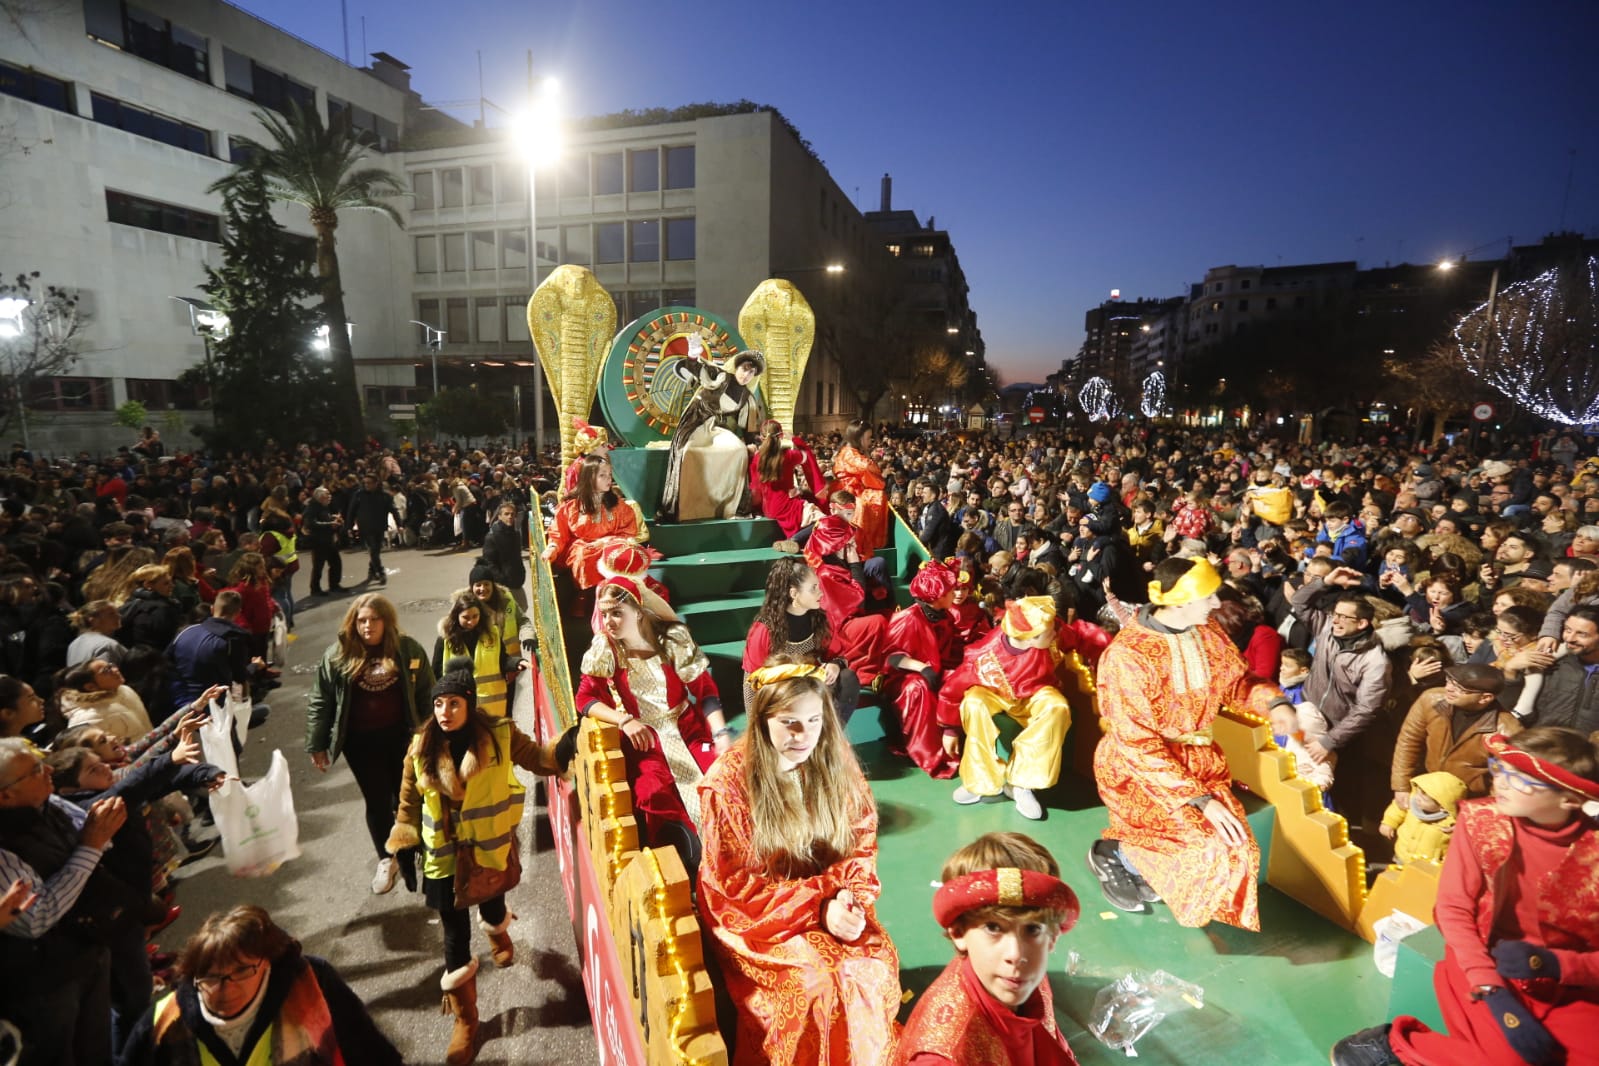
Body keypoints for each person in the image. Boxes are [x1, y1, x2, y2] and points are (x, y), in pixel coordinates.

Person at [1331, 728, 1599, 1066]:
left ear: (1570, 800)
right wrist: (1491, 988)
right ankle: (1398, 1045)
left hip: (1565, 981)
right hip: (1479, 961)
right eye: (1499, 768)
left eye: (1521, 779)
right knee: (1509, 1060)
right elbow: (1454, 910)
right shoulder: (1482, 823)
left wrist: (1557, 965)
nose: (1500, 782)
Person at [696, 665, 901, 1065]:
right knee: (814, 985)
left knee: (867, 971)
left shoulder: (833, 757)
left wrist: (849, 898)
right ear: (762, 720)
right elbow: (735, 887)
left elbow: (860, 842)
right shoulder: (727, 783)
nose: (804, 736)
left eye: (814, 721)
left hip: (823, 898)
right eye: (789, 723)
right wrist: (820, 905)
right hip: (756, 916)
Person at [1091, 557, 1291, 927]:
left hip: (1201, 763)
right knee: (1204, 846)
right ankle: (1114, 854)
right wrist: (1199, 800)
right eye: (1210, 597)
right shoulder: (1126, 657)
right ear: (1181, 602)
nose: (1217, 605)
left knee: (1239, 847)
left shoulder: (1207, 629)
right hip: (1139, 772)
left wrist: (1274, 703)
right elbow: (1136, 743)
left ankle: (1134, 859)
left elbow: (1236, 683)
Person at [384, 667, 566, 1066]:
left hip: (487, 847)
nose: (445, 712)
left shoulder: (499, 734)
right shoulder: (421, 744)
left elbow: (536, 757)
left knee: (492, 902)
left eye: (453, 703)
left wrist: (566, 750)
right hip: (442, 856)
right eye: (438, 704)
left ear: (469, 703)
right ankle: (466, 1021)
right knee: (454, 935)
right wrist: (402, 839)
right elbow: (408, 797)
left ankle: (499, 932)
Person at [118, 903, 402, 1065]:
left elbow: (366, 1047)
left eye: (241, 970)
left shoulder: (311, 982)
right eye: (210, 977)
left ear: (267, 963)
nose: (224, 988)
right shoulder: (163, 1022)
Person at [897, 831, 1082, 1066]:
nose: (1016, 954)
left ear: (1052, 937)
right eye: (993, 928)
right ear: (959, 933)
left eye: (1032, 930)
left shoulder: (1017, 973)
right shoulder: (942, 1058)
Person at [576, 579, 730, 859]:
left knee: (719, 777)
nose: (608, 621)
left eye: (617, 612)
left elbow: (705, 690)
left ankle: (728, 847)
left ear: (638, 611)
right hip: (646, 742)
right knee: (652, 790)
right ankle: (685, 854)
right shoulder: (606, 647)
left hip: (687, 730)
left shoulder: (672, 639)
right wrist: (623, 720)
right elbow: (585, 699)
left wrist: (720, 735)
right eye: (605, 613)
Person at [0, 736, 130, 1066]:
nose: (47, 771)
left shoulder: (49, 803)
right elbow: (36, 917)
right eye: (33, 771)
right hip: (45, 978)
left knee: (98, 1045)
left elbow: (101, 840)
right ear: (5, 796)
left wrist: (96, 837)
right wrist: (88, 848)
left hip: (89, 943)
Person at [305, 593, 435, 895]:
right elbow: (321, 700)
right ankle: (386, 858)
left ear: (385, 621)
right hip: (360, 743)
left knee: (409, 797)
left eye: (374, 619)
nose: (367, 626)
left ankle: (418, 849)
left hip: (402, 737)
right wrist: (317, 743)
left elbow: (426, 692)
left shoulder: (407, 648)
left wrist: (431, 735)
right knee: (377, 802)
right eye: (361, 620)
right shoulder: (338, 655)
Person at [938, 596, 1070, 820]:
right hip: (995, 693)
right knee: (973, 702)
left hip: (1035, 693)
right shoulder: (984, 657)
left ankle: (1021, 784)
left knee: (1057, 707)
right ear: (1030, 638)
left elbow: (1081, 635)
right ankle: (980, 781)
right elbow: (953, 688)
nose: (1055, 634)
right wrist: (949, 729)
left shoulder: (1053, 632)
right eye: (1049, 633)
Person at [742, 557, 863, 723]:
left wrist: (835, 665)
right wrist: (754, 724)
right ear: (794, 593)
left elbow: (838, 655)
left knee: (848, 679)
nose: (820, 593)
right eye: (813, 589)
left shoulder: (821, 619)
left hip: (810, 686)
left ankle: (829, 738)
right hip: (781, 695)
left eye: (818, 587)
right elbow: (751, 682)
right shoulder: (764, 629)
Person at [659, 343, 765, 522]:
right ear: (737, 367)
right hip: (695, 423)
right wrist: (692, 356)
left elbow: (750, 426)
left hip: (717, 429)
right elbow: (696, 368)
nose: (746, 375)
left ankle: (731, 508)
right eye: (744, 369)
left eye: (751, 373)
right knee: (688, 452)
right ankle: (686, 510)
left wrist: (752, 443)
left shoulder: (747, 397)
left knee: (739, 451)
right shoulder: (720, 376)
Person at [883, 560, 967, 779]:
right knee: (917, 688)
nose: (955, 594)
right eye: (951, 590)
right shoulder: (908, 619)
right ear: (938, 595)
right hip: (902, 679)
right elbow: (891, 659)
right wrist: (922, 668)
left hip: (934, 671)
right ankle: (931, 754)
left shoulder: (945, 617)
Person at [1391, 663, 1520, 801]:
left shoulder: (1507, 730)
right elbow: (1408, 742)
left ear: (1485, 698)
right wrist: (1401, 786)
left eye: (1460, 688)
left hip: (1468, 798)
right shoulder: (1430, 699)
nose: (1449, 688)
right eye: (1449, 681)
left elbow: (1507, 776)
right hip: (1427, 788)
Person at [543, 454, 645, 589]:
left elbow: (628, 533)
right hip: (582, 547)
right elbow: (558, 533)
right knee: (583, 557)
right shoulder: (571, 506)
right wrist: (552, 548)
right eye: (603, 475)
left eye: (609, 475)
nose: (608, 479)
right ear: (589, 478)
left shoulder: (620, 507)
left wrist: (607, 540)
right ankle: (588, 600)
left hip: (612, 545)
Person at [431, 590, 520, 720]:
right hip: (458, 706)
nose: (471, 622)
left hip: (489, 708)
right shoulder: (445, 639)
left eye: (475, 616)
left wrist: (517, 663)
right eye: (466, 618)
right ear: (456, 616)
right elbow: (436, 672)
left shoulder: (493, 634)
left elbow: (502, 660)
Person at [750, 419, 826, 544]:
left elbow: (755, 488)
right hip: (787, 506)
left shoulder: (757, 459)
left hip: (769, 508)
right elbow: (807, 455)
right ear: (781, 436)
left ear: (761, 437)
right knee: (825, 521)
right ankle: (794, 540)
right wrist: (795, 439)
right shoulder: (789, 455)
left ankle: (794, 540)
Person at [1378, 770, 1466, 866]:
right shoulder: (1411, 802)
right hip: (1402, 854)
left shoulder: (1452, 824)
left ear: (1443, 806)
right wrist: (1388, 822)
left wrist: (1448, 859)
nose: (1417, 798)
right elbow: (1397, 809)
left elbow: (1457, 845)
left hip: (1428, 865)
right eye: (1418, 792)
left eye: (1424, 798)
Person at [57, 658, 155, 739]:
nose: (115, 670)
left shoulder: (124, 689)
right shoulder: (85, 717)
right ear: (91, 687)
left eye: (111, 665)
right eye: (106, 671)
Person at [832, 419, 890, 553]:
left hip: (850, 488)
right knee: (877, 497)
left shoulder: (850, 450)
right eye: (869, 438)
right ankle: (865, 543)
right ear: (859, 438)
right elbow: (867, 468)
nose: (871, 442)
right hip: (847, 490)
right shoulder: (850, 452)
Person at [346, 472, 399, 585]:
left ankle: (372, 571)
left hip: (379, 527)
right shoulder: (359, 495)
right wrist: (349, 526)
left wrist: (400, 524)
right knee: (373, 550)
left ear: (376, 483)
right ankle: (381, 572)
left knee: (376, 551)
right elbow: (351, 511)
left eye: (369, 483)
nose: (366, 485)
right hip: (365, 527)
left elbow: (393, 510)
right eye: (365, 483)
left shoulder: (385, 496)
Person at [480, 500, 529, 613]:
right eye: (506, 514)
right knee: (507, 613)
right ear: (500, 516)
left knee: (522, 609)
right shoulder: (492, 537)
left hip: (516, 581)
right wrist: (501, 580)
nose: (510, 517)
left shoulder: (516, 534)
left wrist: (521, 573)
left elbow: (517, 557)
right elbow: (489, 563)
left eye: (512, 514)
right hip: (503, 585)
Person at [301, 485, 346, 596]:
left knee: (335, 563)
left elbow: (323, 518)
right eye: (327, 495)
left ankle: (334, 585)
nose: (330, 497)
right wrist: (330, 524)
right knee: (318, 566)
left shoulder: (323, 506)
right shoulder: (311, 508)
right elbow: (311, 523)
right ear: (320, 497)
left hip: (328, 539)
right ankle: (315, 589)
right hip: (318, 541)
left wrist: (332, 518)